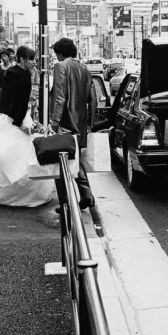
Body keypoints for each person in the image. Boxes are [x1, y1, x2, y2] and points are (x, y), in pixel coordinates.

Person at [0, 46, 54, 207]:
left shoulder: (10, 72)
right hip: (15, 116)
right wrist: (20, 123)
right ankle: (19, 194)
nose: (34, 63)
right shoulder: (25, 76)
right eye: (32, 59)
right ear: (22, 60)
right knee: (21, 155)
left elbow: (8, 97)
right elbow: (20, 102)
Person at [50, 38, 98, 210]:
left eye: (56, 54)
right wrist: (90, 123)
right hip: (81, 123)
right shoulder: (85, 69)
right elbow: (93, 99)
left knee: (60, 161)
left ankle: (65, 203)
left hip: (65, 122)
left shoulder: (61, 66)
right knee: (75, 159)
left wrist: (54, 123)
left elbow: (60, 97)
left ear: (60, 53)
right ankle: (86, 194)